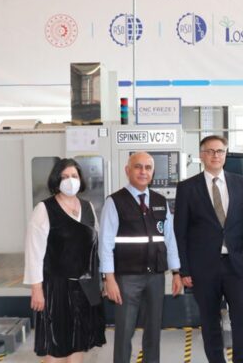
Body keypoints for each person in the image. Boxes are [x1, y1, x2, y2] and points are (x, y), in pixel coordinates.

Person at [174, 135, 243, 363]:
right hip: (203, 268)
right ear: (201, 155)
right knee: (210, 322)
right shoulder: (187, 188)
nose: (215, 155)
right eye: (209, 151)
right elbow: (180, 232)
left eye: (220, 151)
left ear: (225, 154)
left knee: (242, 321)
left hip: (237, 265)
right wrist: (184, 269)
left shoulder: (240, 183)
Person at [99, 152, 182, 363]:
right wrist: (109, 278)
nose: (143, 171)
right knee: (124, 332)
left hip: (155, 277)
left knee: (154, 330)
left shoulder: (160, 201)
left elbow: (169, 239)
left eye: (148, 167)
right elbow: (105, 242)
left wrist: (176, 272)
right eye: (138, 167)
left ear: (153, 172)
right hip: (127, 278)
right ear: (127, 170)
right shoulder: (115, 202)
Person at [24, 158, 105, 362]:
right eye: (65, 176)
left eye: (74, 176)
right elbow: (34, 253)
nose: (70, 180)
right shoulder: (44, 209)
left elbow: (95, 247)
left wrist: (101, 280)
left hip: (84, 288)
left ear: (80, 179)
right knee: (56, 344)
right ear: (56, 180)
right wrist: (36, 289)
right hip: (55, 289)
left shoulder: (88, 208)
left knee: (79, 341)